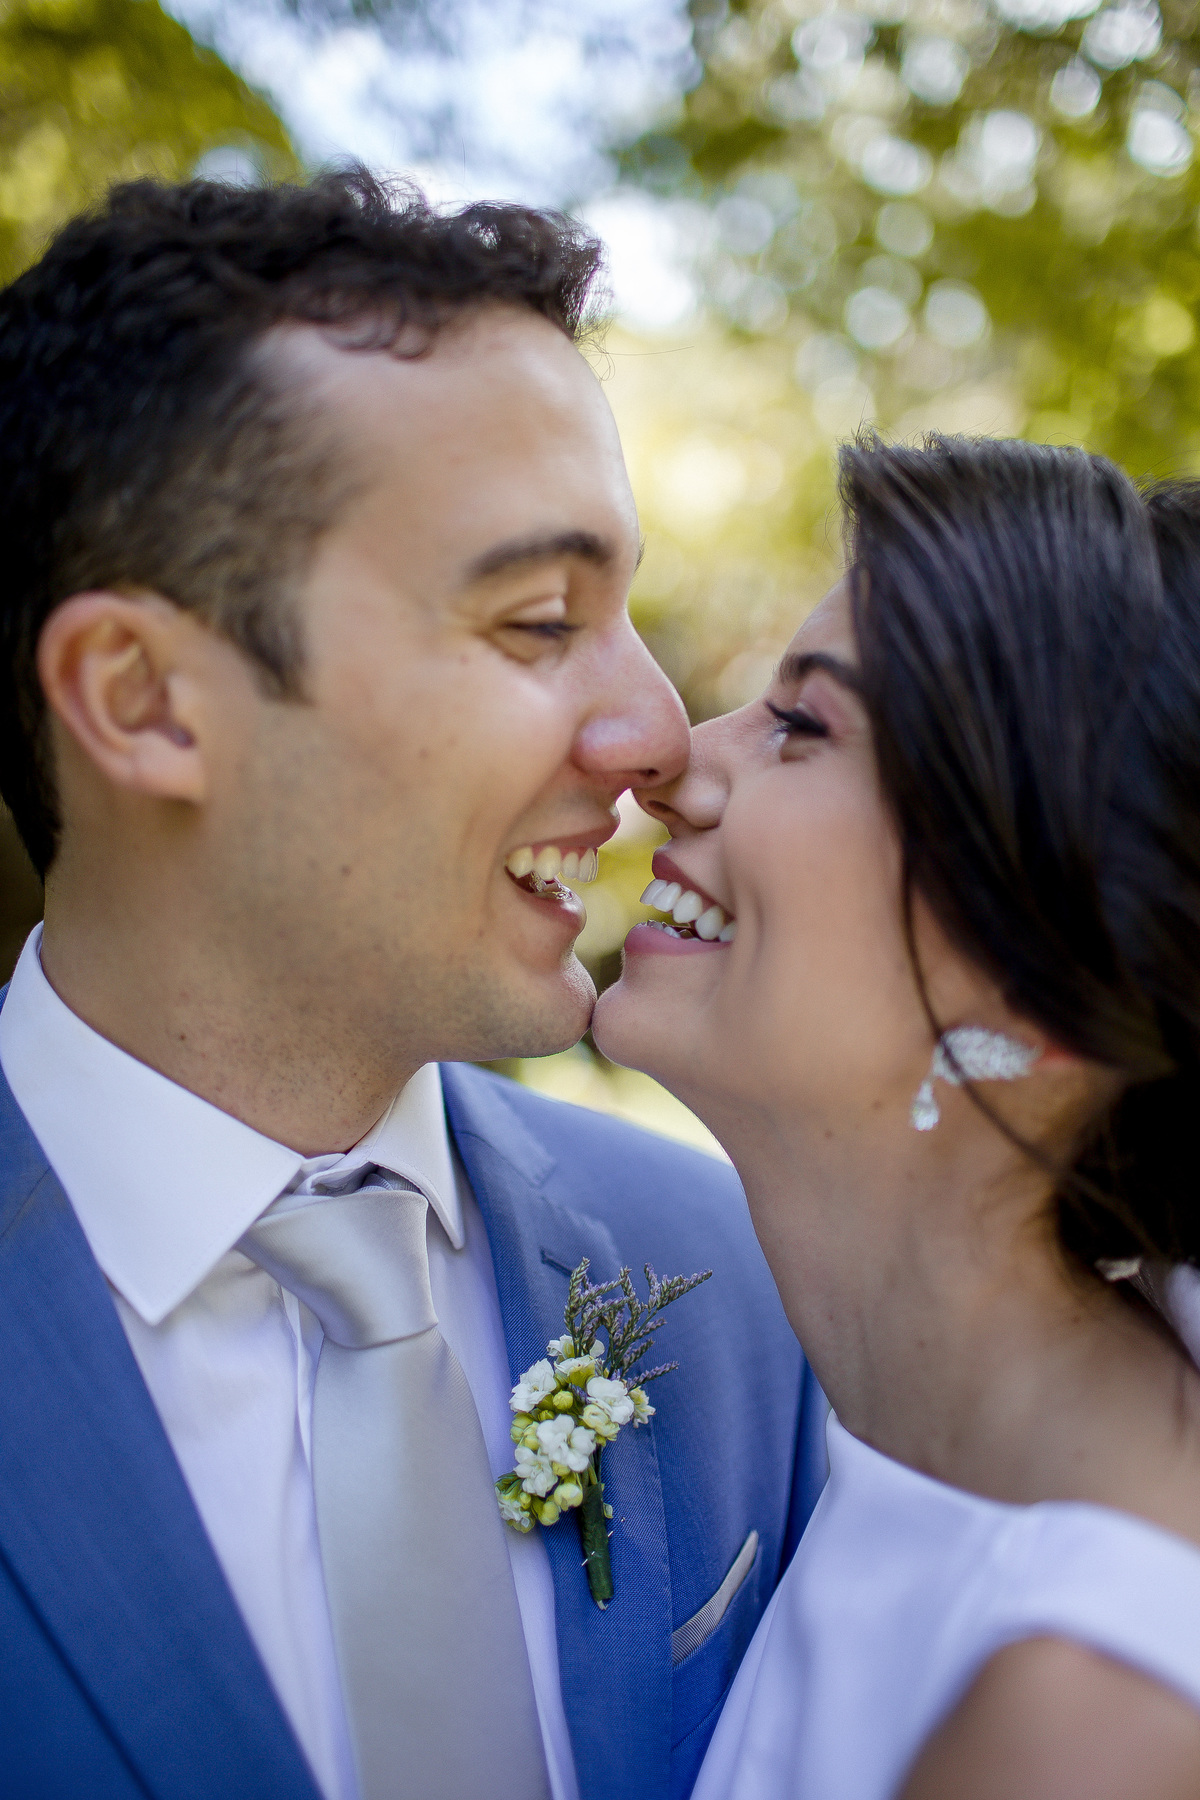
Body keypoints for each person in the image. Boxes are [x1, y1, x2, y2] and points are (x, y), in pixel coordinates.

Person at [0, 172, 823, 1800]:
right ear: (143, 698)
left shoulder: (744, 1288)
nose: (659, 734)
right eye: (539, 620)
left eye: (628, 609)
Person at [594, 434, 1200, 1800]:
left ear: (1054, 980)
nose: (672, 759)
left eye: (804, 724)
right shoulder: (893, 1441)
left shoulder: (1099, 1723)